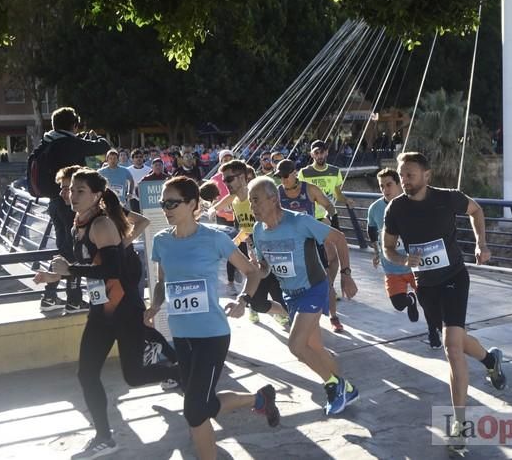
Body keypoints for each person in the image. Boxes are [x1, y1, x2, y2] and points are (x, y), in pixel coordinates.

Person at [32, 169, 180, 459]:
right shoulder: (78, 224)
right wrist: (55, 277)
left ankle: (182, 370)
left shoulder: (102, 224)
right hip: (101, 312)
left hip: (124, 310)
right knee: (86, 374)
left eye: (79, 191)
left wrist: (69, 270)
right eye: (70, 191)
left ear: (97, 195)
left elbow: (110, 270)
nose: (71, 196)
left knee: (134, 377)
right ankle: (104, 437)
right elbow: (92, 265)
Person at [144, 176, 279, 460]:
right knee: (201, 406)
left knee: (194, 409)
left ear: (192, 203)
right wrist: (155, 306)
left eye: (172, 202)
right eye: (162, 203)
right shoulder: (161, 241)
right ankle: (259, 399)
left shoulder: (214, 238)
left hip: (212, 334)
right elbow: (161, 282)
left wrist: (243, 300)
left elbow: (252, 272)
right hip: (182, 335)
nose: (166, 208)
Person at [382, 152, 507, 449]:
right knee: (457, 339)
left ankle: (460, 426)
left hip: (454, 278)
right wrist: (401, 257)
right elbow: (387, 247)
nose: (405, 179)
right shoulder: (395, 209)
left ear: (427, 175)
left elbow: (476, 211)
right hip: (426, 285)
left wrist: (481, 244)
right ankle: (490, 360)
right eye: (402, 175)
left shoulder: (447, 198)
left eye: (410, 173)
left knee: (452, 348)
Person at [246, 176, 359, 415]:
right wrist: (258, 268)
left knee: (296, 346)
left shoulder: (299, 222)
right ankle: (346, 388)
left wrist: (346, 275)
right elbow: (266, 267)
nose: (252, 207)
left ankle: (332, 386)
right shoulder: (258, 231)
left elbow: (338, 238)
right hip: (291, 295)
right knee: (315, 348)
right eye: (250, 202)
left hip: (313, 289)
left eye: (256, 201)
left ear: (273, 199)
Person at [37, 107, 110, 312]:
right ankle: (74, 300)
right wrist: (91, 138)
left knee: (64, 248)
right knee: (76, 250)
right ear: (74, 125)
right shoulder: (70, 142)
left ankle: (50, 297)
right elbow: (103, 146)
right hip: (72, 203)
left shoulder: (46, 142)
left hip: (54, 202)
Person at [368, 168, 445, 348]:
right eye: (381, 186)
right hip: (392, 266)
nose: (385, 189)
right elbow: (372, 231)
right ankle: (410, 300)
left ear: (398, 184)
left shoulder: (412, 203)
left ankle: (433, 331)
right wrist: (376, 252)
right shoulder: (375, 208)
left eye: (389, 185)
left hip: (416, 265)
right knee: (398, 304)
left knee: (428, 302)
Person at [218, 160, 289, 326]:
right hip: (257, 258)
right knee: (257, 301)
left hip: (276, 255)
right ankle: (288, 314)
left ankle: (295, 319)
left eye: (229, 179)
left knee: (275, 296)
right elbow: (246, 229)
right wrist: (236, 242)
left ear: (242, 177)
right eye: (224, 181)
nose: (226, 184)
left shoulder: (259, 198)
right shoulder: (235, 203)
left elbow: (278, 221)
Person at [298, 140, 354, 332]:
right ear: (312, 154)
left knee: (334, 260)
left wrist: (346, 200)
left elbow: (337, 193)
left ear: (327, 153)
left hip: (329, 217)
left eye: (322, 152)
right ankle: (329, 302)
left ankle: (328, 286)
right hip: (312, 221)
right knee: (317, 262)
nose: (320, 155)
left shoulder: (335, 171)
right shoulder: (304, 173)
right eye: (316, 152)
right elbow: (300, 194)